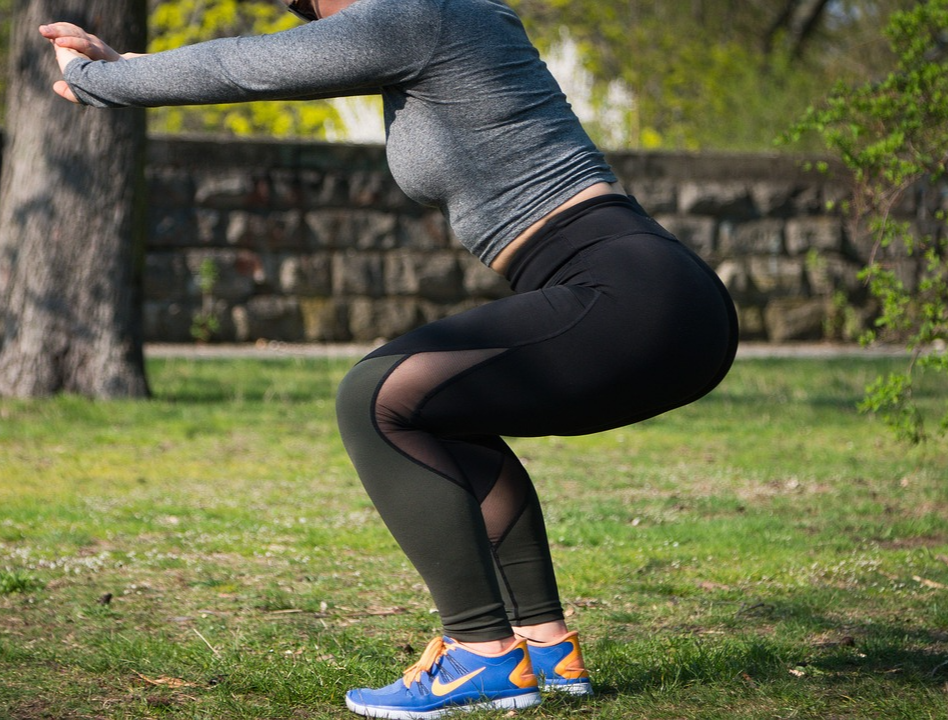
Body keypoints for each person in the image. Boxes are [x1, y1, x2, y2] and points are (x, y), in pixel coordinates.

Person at [43, 0, 738, 717]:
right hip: (661, 296)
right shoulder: (436, 23)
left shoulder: (421, 15)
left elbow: (244, 66)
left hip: (628, 293)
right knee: (445, 414)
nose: (310, 14)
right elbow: (261, 66)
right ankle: (543, 646)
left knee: (374, 399)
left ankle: (480, 654)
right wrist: (123, 65)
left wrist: (103, 82)